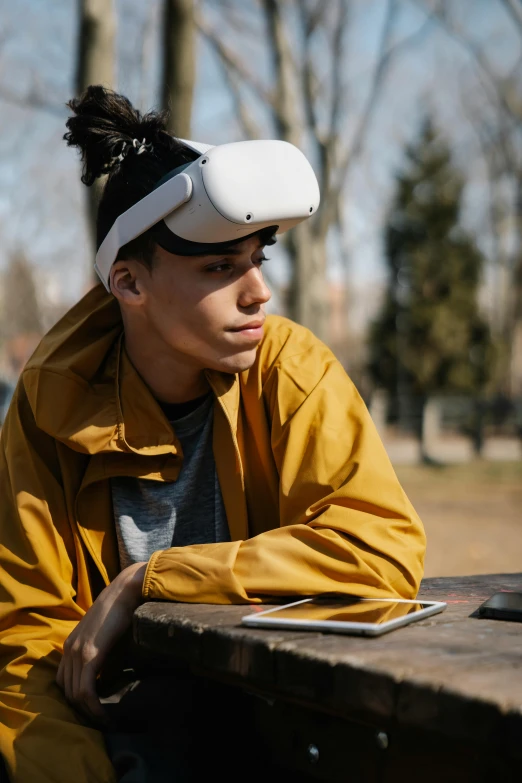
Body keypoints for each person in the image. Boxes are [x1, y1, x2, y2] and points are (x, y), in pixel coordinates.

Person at [0, 86, 426, 783]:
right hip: (115, 732)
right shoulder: (49, 406)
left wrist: (146, 579)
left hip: (278, 721)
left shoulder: (293, 368)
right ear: (129, 283)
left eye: (258, 258)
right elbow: (25, 646)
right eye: (221, 267)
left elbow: (378, 548)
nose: (258, 291)